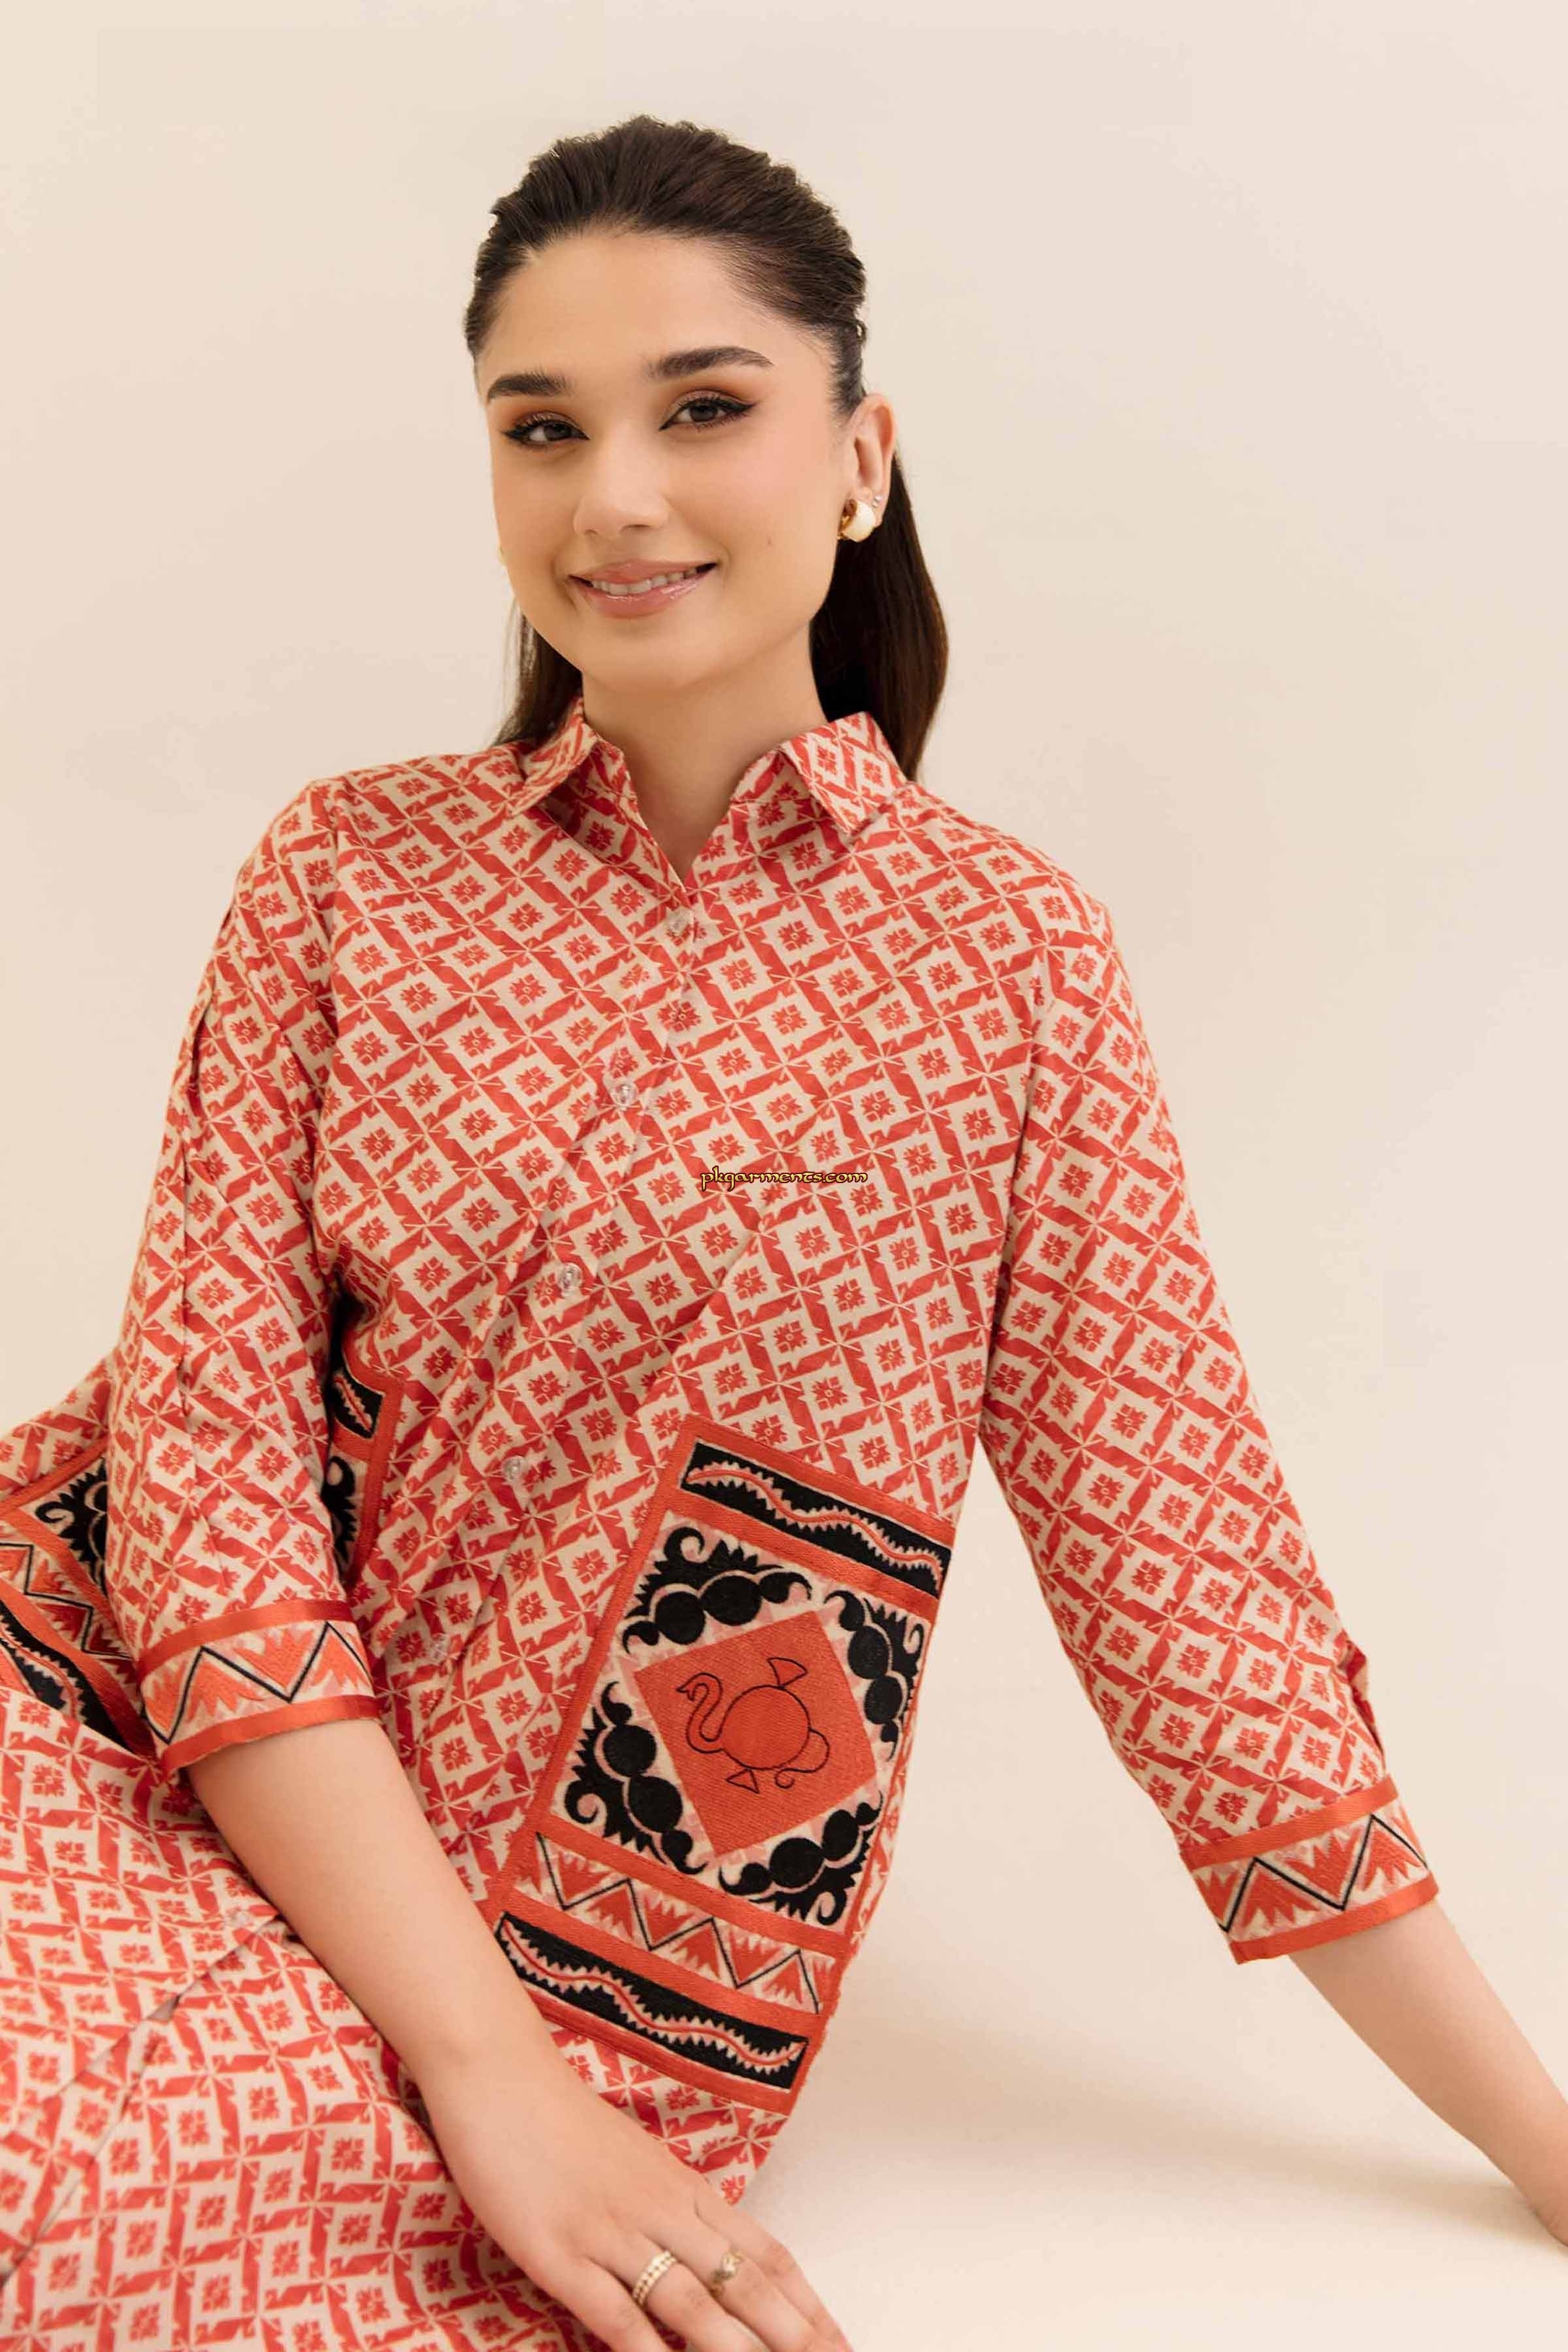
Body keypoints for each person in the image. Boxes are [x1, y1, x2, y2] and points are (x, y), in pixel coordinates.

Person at [1, 108, 1565, 2352]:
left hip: (591, 1946)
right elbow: (209, 1500)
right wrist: (479, 2069)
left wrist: (1544, 2144)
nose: (614, 499)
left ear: (860, 459)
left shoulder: (1011, 968)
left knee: (74, 2208)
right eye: (543, 429)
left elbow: (1191, 1594)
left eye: (704, 409)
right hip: (107, 1729)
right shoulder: (344, 876)